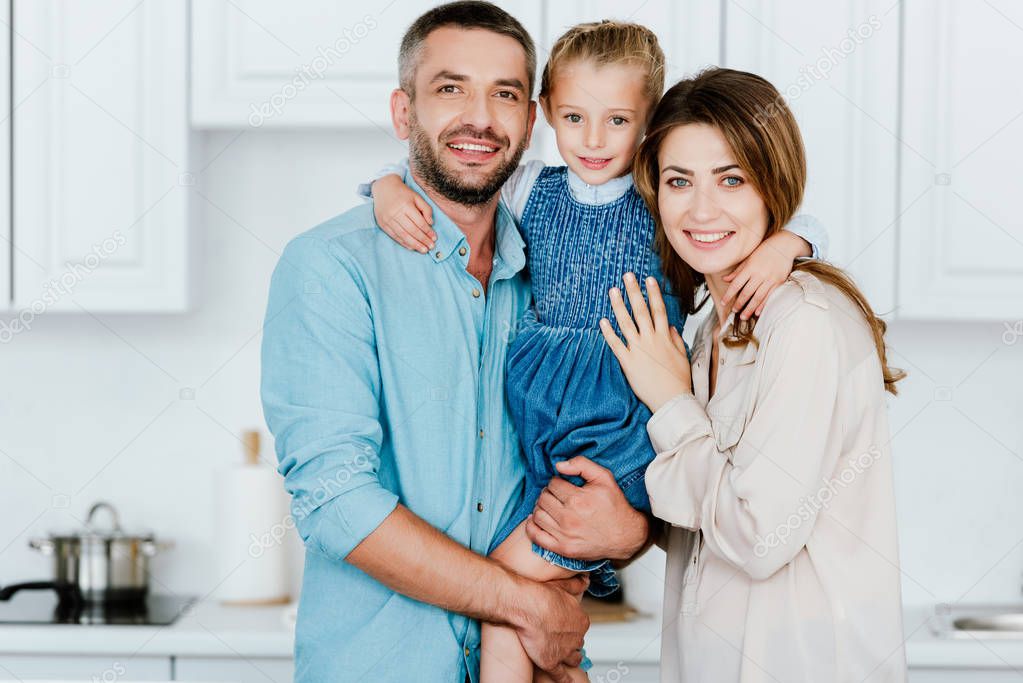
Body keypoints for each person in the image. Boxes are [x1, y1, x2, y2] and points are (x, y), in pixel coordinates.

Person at [362, 21, 828, 683]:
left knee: (509, 594)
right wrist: (384, 186)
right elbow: (429, 176)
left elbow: (785, 217)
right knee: (545, 607)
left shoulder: (660, 192)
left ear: (647, 122)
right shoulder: (529, 187)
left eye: (617, 120)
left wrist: (790, 244)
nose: (591, 138)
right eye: (574, 116)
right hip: (542, 416)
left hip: (621, 420)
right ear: (544, 111)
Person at [260, 4, 651, 682]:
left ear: (532, 120)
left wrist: (634, 533)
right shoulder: (330, 266)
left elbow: (630, 447)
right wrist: (523, 602)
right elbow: (335, 500)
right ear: (403, 111)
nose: (479, 116)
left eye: (503, 94)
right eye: (450, 88)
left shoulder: (555, 279)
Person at [593, 67, 909, 681]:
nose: (702, 208)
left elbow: (761, 536)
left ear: (773, 186)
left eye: (731, 179)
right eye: (679, 181)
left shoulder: (804, 322)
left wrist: (670, 402)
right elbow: (713, 522)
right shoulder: (711, 326)